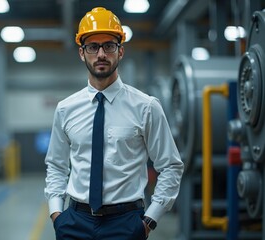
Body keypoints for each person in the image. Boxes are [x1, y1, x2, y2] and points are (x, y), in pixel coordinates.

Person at [44, 7, 184, 240]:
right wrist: (57, 215)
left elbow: (170, 165)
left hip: (126, 223)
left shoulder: (146, 107)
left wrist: (149, 220)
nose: (101, 54)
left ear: (121, 51)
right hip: (75, 223)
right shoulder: (65, 109)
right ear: (82, 53)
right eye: (92, 47)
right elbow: (56, 166)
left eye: (109, 46)